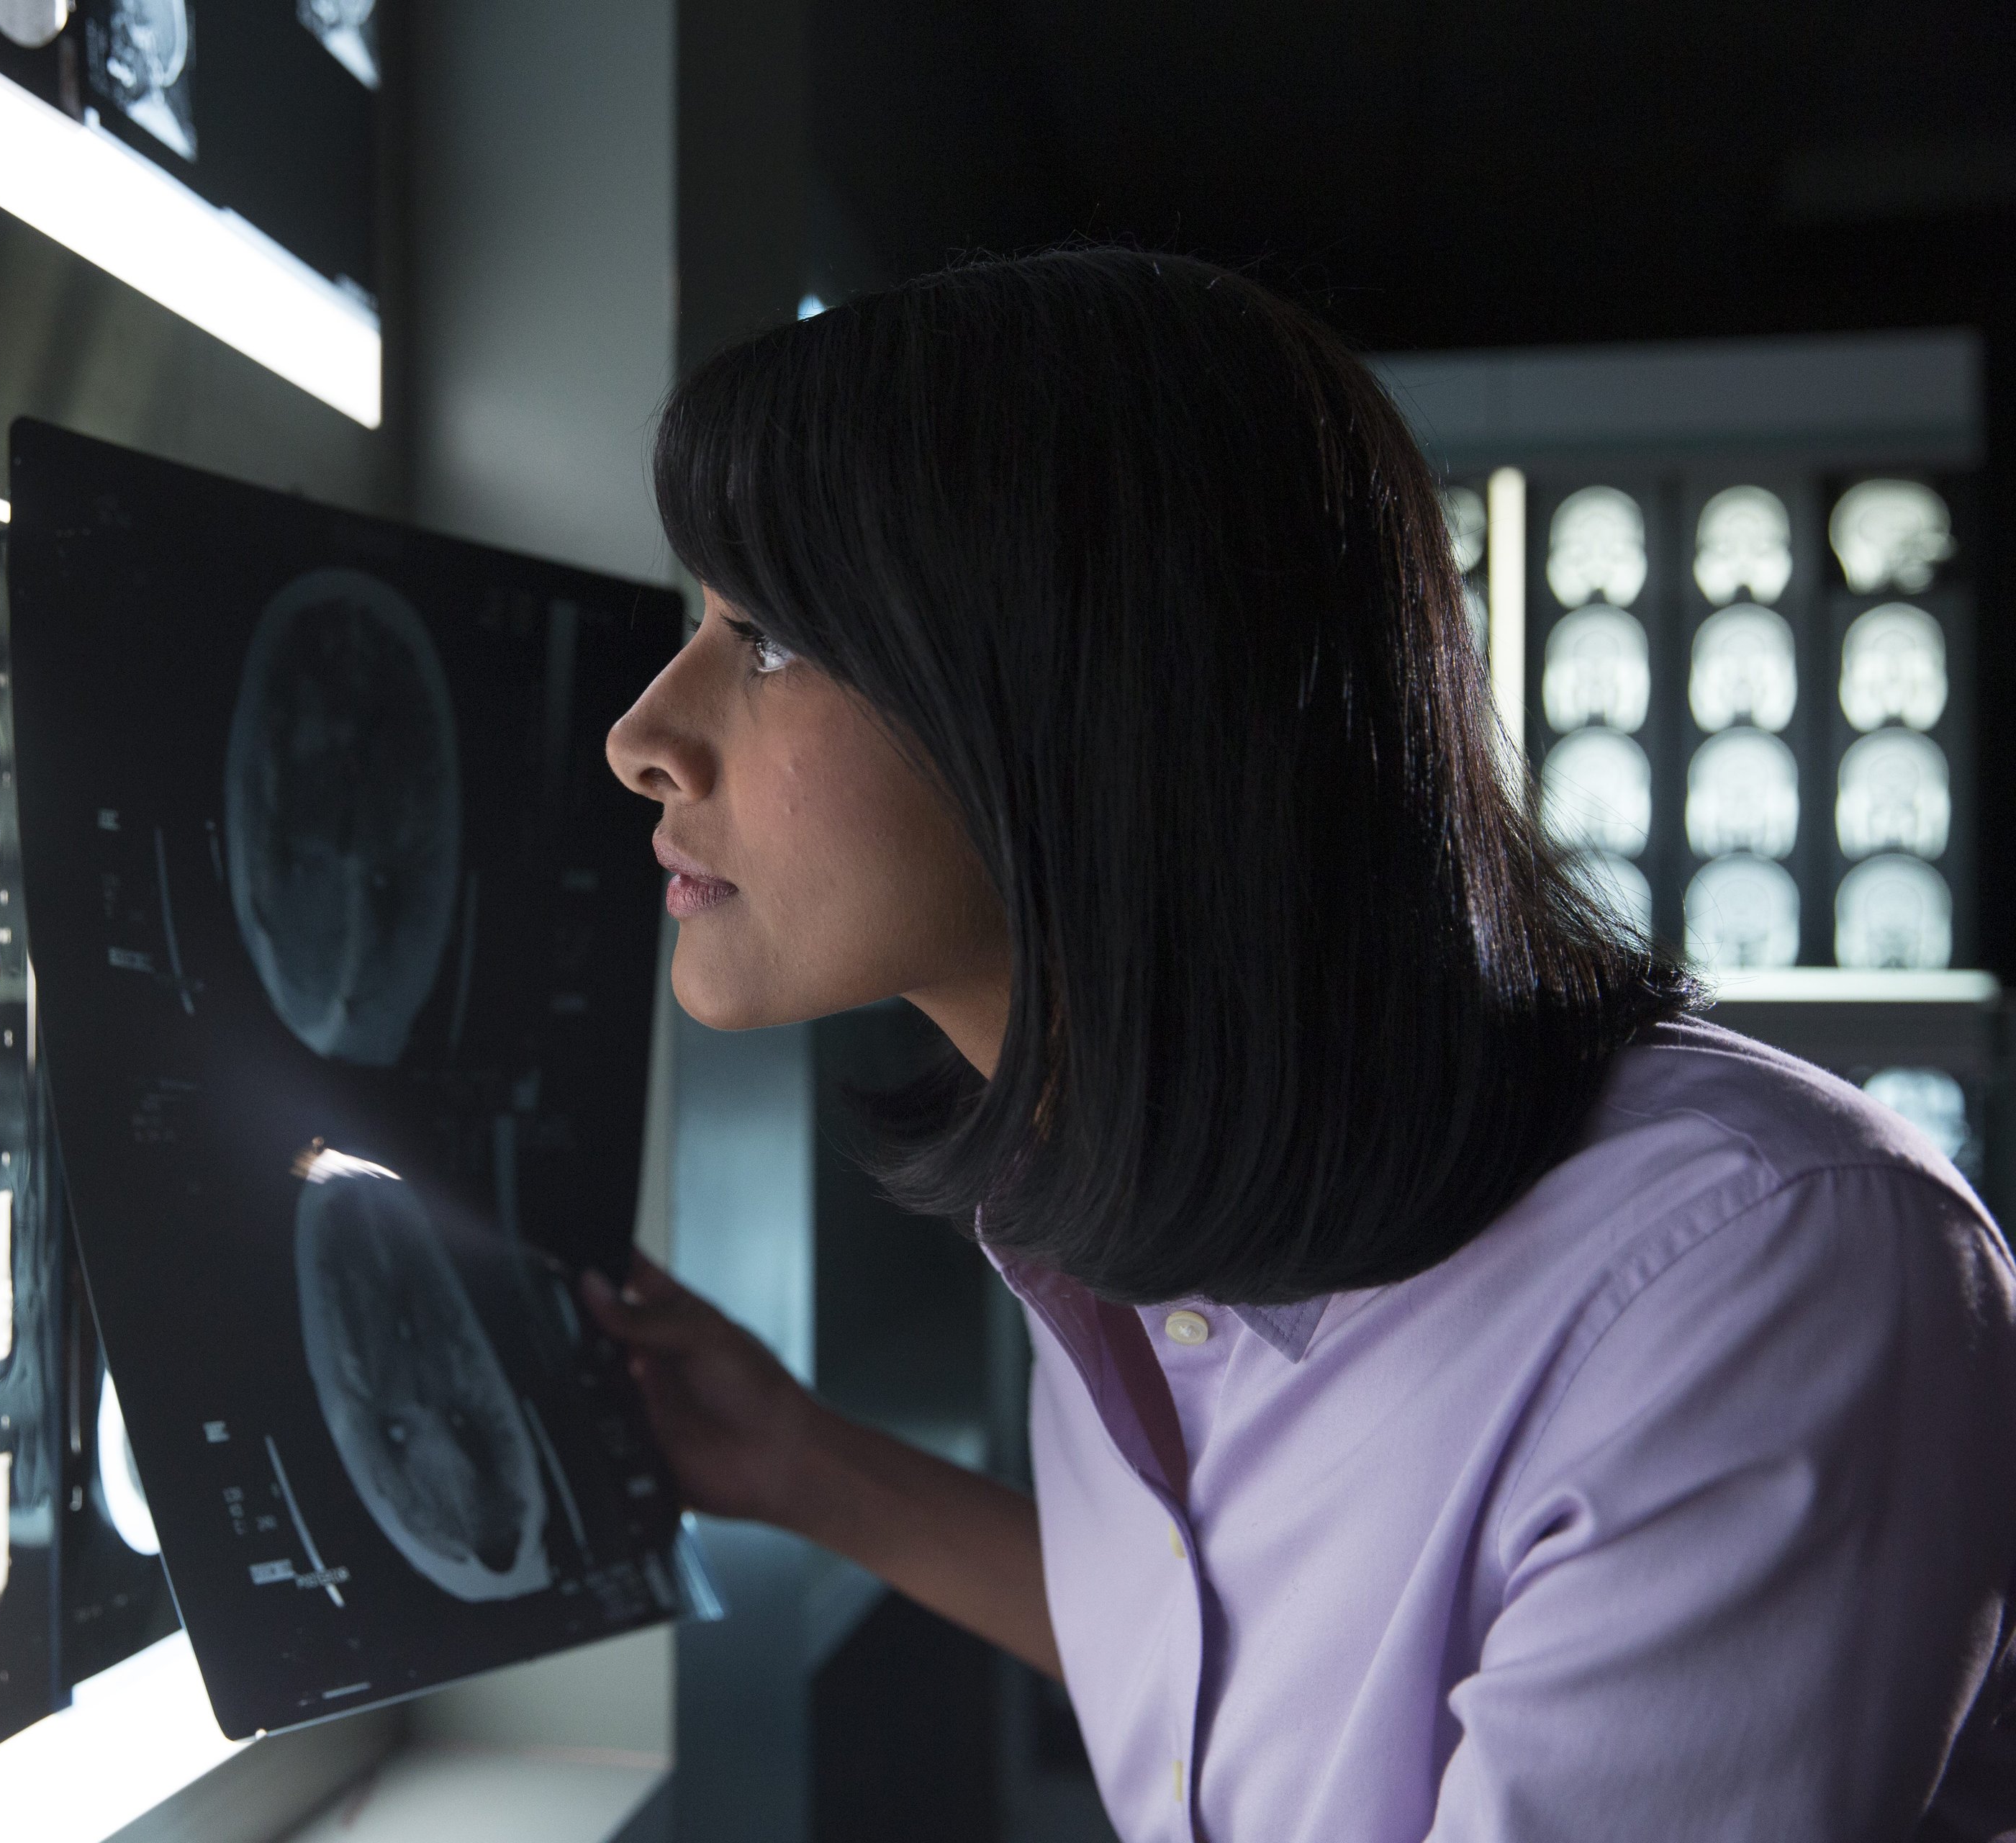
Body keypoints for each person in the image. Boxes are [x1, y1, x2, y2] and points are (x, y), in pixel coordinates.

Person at [587, 248, 2016, 1842]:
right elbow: (1268, 1691)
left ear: (1091, 683)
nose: (641, 732)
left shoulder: (1764, 1268)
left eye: (768, 633)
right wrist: (807, 1466)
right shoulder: (1126, 1184)